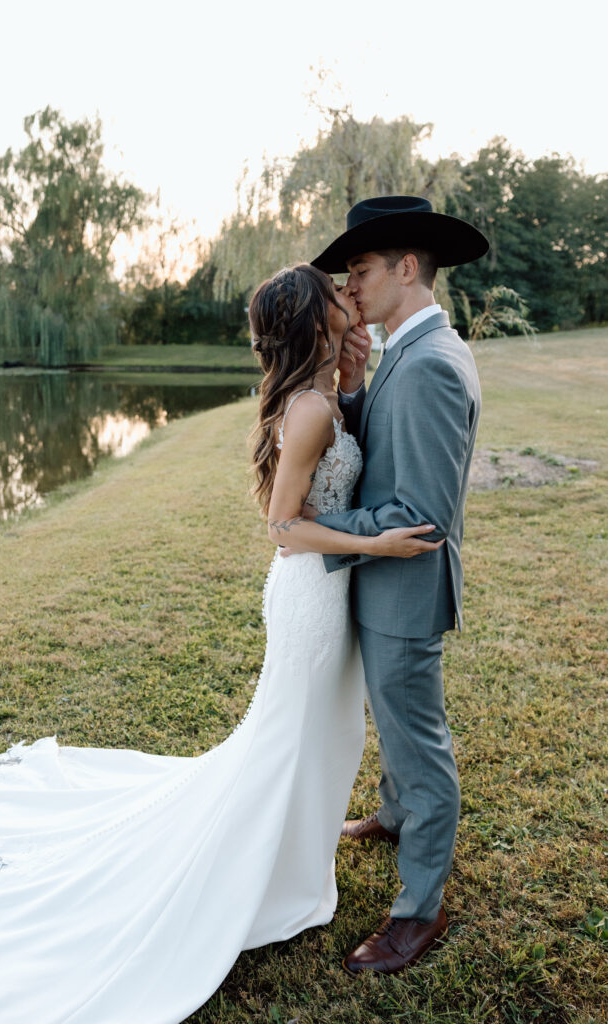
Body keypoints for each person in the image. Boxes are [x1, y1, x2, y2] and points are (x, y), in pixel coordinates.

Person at [0, 263, 434, 1024]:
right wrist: (381, 549)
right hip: (311, 596)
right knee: (290, 736)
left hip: (328, 589)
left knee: (316, 734)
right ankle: (272, 874)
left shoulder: (324, 395)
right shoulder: (305, 411)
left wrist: (353, 380)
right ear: (310, 321)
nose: (349, 296)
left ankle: (296, 861)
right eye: (337, 295)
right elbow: (283, 528)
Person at [304, 195, 489, 975]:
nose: (349, 287)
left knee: (418, 744)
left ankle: (418, 912)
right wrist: (351, 389)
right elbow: (384, 447)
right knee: (391, 714)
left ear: (406, 268)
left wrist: (304, 527)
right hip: (384, 587)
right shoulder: (405, 353)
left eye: (360, 271)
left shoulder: (430, 367)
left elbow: (417, 516)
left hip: (402, 591)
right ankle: (389, 815)